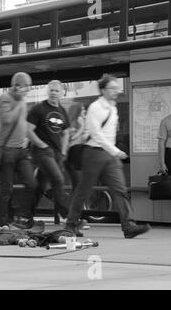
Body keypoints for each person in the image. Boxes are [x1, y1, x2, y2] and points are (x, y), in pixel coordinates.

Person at [65, 74, 151, 238]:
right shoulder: (95, 108)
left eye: (116, 87)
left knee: (120, 190)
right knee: (84, 190)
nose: (116, 91)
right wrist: (116, 152)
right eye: (112, 88)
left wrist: (113, 152)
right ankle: (70, 224)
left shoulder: (113, 108)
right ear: (103, 90)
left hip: (109, 155)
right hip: (94, 154)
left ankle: (129, 225)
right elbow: (96, 135)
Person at [0, 73, 38, 229]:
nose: (27, 91)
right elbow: (6, 120)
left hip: (22, 150)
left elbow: (23, 124)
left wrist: (28, 138)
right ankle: (3, 222)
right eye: (26, 87)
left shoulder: (22, 101)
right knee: (6, 188)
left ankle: (20, 216)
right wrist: (20, 105)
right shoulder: (4, 98)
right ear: (16, 86)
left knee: (32, 183)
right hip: (7, 149)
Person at [27, 80, 71, 222]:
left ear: (62, 93)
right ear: (47, 91)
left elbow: (67, 132)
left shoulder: (62, 110)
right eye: (51, 90)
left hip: (57, 154)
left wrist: (63, 152)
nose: (53, 93)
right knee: (58, 180)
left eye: (57, 91)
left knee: (39, 186)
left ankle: (25, 217)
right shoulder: (38, 108)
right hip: (42, 153)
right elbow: (28, 130)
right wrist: (41, 145)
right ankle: (70, 219)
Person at [64, 102, 87, 190]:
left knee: (79, 185)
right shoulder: (73, 124)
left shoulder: (82, 122)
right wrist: (81, 128)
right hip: (73, 156)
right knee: (77, 184)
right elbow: (70, 138)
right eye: (82, 109)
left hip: (79, 155)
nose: (85, 111)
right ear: (77, 111)